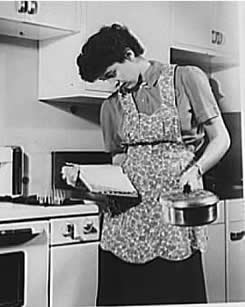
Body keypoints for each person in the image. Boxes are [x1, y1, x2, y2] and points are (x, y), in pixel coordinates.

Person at [76, 23, 230, 306]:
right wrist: (96, 186)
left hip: (173, 215)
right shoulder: (110, 106)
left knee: (174, 292)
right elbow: (119, 162)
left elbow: (221, 138)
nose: (113, 84)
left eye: (112, 74)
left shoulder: (186, 79)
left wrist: (196, 170)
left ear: (129, 53)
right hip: (126, 221)